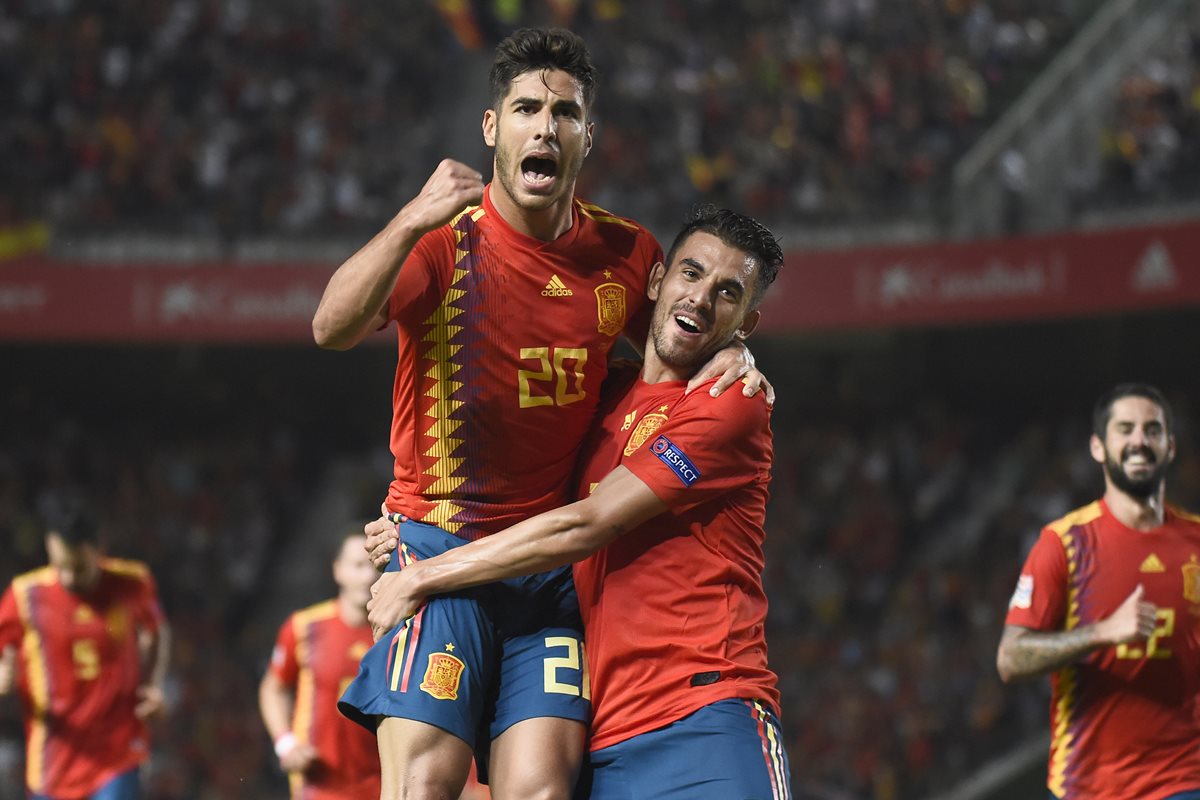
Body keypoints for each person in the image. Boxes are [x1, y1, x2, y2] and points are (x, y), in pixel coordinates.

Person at [314, 26, 768, 800]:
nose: (545, 127)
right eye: (526, 108)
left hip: (547, 576)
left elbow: (665, 348)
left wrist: (734, 358)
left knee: (543, 792)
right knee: (425, 783)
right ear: (494, 127)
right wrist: (405, 221)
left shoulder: (627, 256)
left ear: (587, 137)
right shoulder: (441, 243)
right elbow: (331, 327)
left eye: (565, 114)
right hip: (438, 541)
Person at [363, 206, 792, 800]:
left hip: (708, 718)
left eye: (728, 293)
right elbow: (513, 482)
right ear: (657, 280)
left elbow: (584, 524)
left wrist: (424, 576)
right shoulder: (604, 396)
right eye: (691, 274)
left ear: (747, 322)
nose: (700, 299)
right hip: (609, 741)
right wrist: (412, 522)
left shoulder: (729, 405)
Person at [996, 383, 1200, 800]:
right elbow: (1010, 658)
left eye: (1152, 430)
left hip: (1184, 780)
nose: (1139, 441)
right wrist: (1101, 632)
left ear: (1171, 446)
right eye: (1125, 429)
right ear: (1098, 447)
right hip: (1090, 786)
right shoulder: (1064, 545)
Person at [0, 511, 170, 800]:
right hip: (54, 760)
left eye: (78, 567)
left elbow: (156, 631)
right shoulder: (25, 596)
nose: (68, 577)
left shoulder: (132, 583)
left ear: (99, 550)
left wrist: (152, 683)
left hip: (118, 753)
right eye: (60, 566)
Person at [258, 530, 383, 800]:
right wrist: (285, 743)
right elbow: (273, 688)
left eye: (375, 566)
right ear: (337, 570)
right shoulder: (305, 627)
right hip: (318, 784)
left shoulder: (400, 635)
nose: (368, 576)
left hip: (384, 786)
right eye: (358, 566)